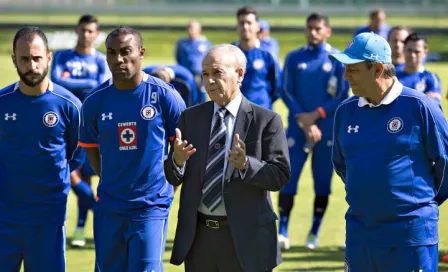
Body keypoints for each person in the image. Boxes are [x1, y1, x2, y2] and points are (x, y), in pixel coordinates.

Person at [164, 44, 290, 271]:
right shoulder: (190, 119)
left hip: (247, 240)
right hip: (199, 239)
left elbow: (279, 176)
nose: (209, 81)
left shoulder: (266, 121)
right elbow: (172, 177)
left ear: (240, 74)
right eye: (205, 74)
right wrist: (177, 162)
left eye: (217, 73)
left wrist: (245, 165)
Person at [330, 32, 448, 271]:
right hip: (360, 235)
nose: (345, 76)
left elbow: (446, 161)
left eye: (352, 69)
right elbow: (342, 165)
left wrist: (418, 204)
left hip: (410, 236)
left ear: (377, 69)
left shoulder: (420, 106)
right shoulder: (345, 111)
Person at [79, 26, 186, 271]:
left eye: (126, 52)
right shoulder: (95, 101)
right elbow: (91, 150)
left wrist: (168, 189)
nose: (119, 59)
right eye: (112, 53)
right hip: (110, 205)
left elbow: (180, 150)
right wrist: (109, 180)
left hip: (151, 206)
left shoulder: (165, 96)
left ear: (141, 52)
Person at [0, 26, 82, 272]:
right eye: (24, 59)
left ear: (48, 58)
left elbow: (76, 156)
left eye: (37, 58)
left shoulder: (69, 106)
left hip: (48, 218)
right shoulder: (2, 103)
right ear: (15, 60)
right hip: (4, 218)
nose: (31, 65)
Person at [279, 12, 349, 251]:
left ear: (327, 31)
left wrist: (316, 115)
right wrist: (305, 121)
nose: (313, 32)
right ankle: (283, 231)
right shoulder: (294, 57)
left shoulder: (338, 59)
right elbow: (286, 91)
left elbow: (342, 95)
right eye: (310, 28)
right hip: (298, 129)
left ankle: (314, 232)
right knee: (289, 178)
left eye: (319, 28)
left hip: (327, 130)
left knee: (322, 182)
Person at [50, 14, 110, 248]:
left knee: (94, 176)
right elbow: (55, 80)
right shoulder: (63, 56)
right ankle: (102, 215)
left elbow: (99, 85)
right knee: (72, 175)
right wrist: (86, 82)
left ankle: (81, 229)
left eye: (90, 31)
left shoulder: (102, 60)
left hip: (95, 126)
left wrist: (72, 82)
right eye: (83, 30)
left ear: (96, 34)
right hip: (64, 125)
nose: (86, 35)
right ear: (77, 30)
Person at [234, 6, 280, 110]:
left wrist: (264, 101)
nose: (245, 27)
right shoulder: (228, 53)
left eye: (249, 23)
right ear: (237, 26)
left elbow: (277, 86)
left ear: (257, 26)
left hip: (262, 110)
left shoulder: (267, 54)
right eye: (242, 23)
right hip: (235, 112)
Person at [396, 32, 442, 103]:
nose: (412, 55)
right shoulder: (392, 77)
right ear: (403, 50)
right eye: (409, 50)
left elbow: (432, 105)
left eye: (417, 52)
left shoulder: (431, 78)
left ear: (425, 53)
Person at [175, 20, 211, 104]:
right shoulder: (182, 43)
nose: (190, 30)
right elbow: (178, 57)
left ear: (199, 29)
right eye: (188, 28)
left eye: (192, 28)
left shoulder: (205, 43)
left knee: (201, 92)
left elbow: (209, 57)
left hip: (201, 74)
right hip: (187, 73)